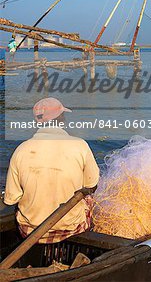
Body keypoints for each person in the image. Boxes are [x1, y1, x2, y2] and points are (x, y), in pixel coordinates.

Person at [4, 97, 100, 244]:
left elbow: (11, 198)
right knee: (90, 198)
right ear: (61, 119)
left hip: (29, 230)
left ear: (37, 121)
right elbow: (91, 184)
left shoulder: (21, 149)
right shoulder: (80, 145)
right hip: (70, 228)